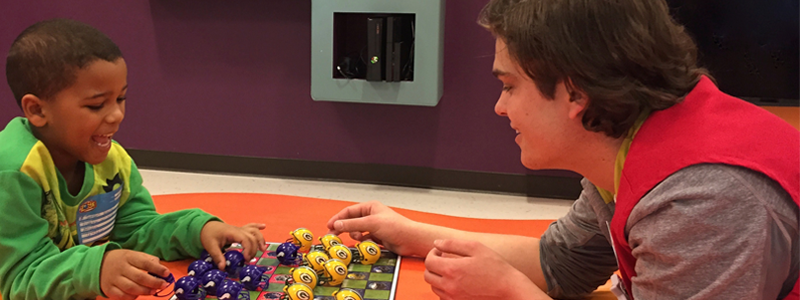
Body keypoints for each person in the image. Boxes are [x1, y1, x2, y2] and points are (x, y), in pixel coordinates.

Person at [326, 0, 799, 299]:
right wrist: (411, 233)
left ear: (575, 93)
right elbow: (563, 265)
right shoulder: (629, 141)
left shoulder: (705, 200)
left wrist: (511, 293)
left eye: (509, 86)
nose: (498, 107)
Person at [0, 19, 266, 300]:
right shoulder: (8, 173)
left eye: (121, 98)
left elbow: (137, 229)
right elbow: (22, 278)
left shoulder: (111, 161)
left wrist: (199, 229)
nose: (117, 115)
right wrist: (95, 270)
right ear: (37, 111)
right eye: (96, 105)